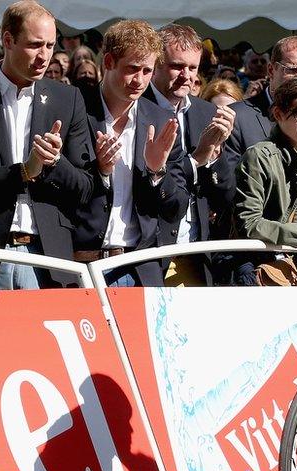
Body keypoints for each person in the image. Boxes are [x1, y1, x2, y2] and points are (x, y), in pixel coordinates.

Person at [0, 0, 94, 290]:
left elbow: (86, 186)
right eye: (35, 45)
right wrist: (22, 171)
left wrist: (55, 162)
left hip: (49, 259)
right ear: (7, 40)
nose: (44, 56)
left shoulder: (67, 100)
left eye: (50, 46)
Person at [72, 19, 184, 287]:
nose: (140, 80)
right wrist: (100, 171)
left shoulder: (161, 120)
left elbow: (177, 205)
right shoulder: (75, 107)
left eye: (147, 71)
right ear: (108, 61)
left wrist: (157, 171)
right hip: (78, 265)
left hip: (137, 268)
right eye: (133, 69)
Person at [222, 35, 297, 284]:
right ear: (271, 70)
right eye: (293, 70)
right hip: (250, 260)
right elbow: (237, 208)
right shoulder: (240, 120)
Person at [147, 23, 236, 286]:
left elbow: (226, 193)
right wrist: (199, 156)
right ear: (156, 63)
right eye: (177, 66)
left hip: (198, 252)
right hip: (151, 252)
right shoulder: (140, 109)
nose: (187, 75)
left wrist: (216, 157)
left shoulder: (206, 112)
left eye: (193, 68)